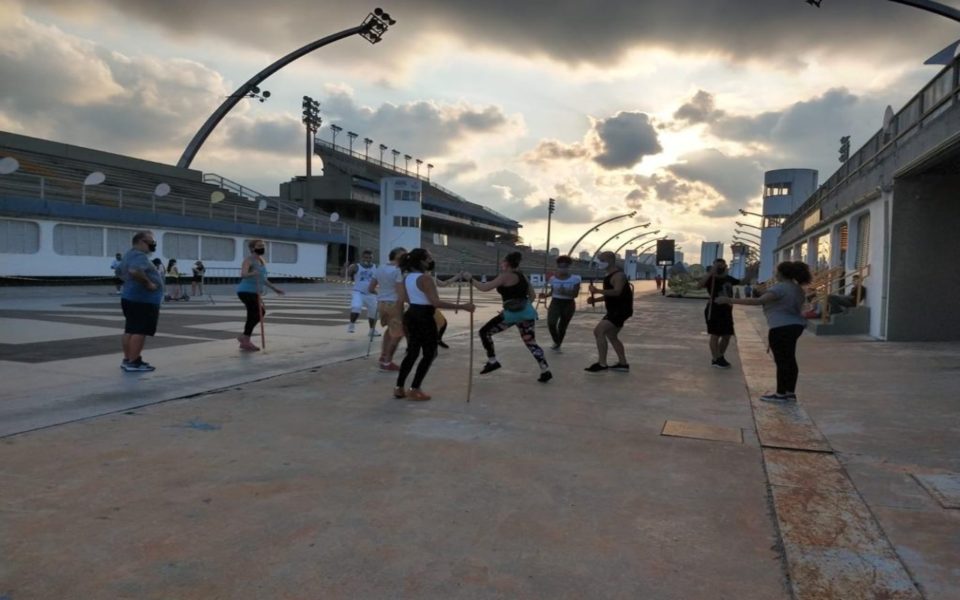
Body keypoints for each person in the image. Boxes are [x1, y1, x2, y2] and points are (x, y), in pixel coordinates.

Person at [716, 261, 812, 402]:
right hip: (795, 326)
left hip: (780, 327)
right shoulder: (797, 288)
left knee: (781, 361)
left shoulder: (780, 288)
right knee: (790, 359)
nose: (775, 273)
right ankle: (790, 392)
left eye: (776, 271)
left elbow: (759, 301)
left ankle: (780, 394)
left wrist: (728, 299)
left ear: (781, 273)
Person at [394, 248, 474, 400]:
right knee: (430, 353)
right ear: (422, 261)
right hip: (424, 317)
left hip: (411, 315)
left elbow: (402, 300)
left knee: (412, 353)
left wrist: (400, 321)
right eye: (429, 258)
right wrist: (463, 306)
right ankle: (414, 388)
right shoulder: (425, 279)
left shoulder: (407, 278)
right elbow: (435, 302)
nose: (431, 261)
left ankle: (399, 387)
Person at [464, 251, 552, 383]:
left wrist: (470, 278)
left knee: (484, 332)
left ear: (507, 263)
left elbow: (484, 287)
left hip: (511, 315)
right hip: (526, 314)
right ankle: (545, 370)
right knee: (531, 343)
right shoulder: (523, 276)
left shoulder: (505, 276)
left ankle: (492, 361)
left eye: (503, 262)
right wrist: (520, 308)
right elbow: (532, 296)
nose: (501, 264)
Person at [119, 231, 163, 372]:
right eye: (150, 242)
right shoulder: (139, 255)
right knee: (140, 330)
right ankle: (134, 362)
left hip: (130, 297)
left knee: (130, 330)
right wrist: (148, 284)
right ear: (141, 241)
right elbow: (134, 271)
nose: (152, 245)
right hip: (143, 300)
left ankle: (127, 359)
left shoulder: (128, 255)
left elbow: (120, 272)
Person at [585, 251, 633, 373]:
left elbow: (617, 292)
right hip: (616, 310)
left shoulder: (618, 276)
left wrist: (597, 291)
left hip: (620, 310)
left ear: (610, 260)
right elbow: (610, 295)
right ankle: (623, 364)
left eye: (602, 260)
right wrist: (595, 299)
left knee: (598, 331)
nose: (600, 263)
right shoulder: (609, 275)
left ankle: (602, 364)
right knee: (612, 336)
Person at [236, 239, 285, 351]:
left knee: (255, 314)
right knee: (259, 312)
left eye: (263, 245)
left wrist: (275, 289)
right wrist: (253, 273)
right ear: (253, 248)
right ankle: (245, 338)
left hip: (255, 291)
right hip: (245, 291)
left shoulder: (261, 260)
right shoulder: (248, 260)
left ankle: (245, 339)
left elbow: (263, 279)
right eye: (259, 245)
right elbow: (243, 274)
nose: (262, 247)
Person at [697, 258, 740, 369]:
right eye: (718, 265)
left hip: (726, 310)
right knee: (715, 334)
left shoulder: (728, 278)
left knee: (727, 335)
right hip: (714, 308)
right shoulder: (711, 278)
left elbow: (742, 281)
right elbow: (699, 285)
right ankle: (716, 359)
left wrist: (752, 271)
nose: (721, 267)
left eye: (722, 265)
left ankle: (719, 357)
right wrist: (711, 272)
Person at [369, 247, 406, 371]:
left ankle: (383, 355)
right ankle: (387, 361)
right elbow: (400, 293)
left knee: (389, 330)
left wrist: (381, 296)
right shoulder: (398, 270)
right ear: (397, 257)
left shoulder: (380, 268)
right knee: (398, 333)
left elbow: (370, 288)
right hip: (394, 304)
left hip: (381, 303)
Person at [539, 255, 581, 352]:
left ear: (569, 267)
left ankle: (558, 344)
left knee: (562, 326)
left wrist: (565, 292)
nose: (563, 269)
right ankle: (556, 341)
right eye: (560, 267)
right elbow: (553, 291)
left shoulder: (575, 279)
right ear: (557, 267)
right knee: (551, 323)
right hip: (556, 302)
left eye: (565, 267)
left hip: (568, 303)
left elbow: (575, 294)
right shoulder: (553, 279)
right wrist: (545, 295)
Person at [346, 250, 379, 336]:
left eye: (370, 257)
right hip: (358, 292)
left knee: (373, 312)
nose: (368, 259)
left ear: (372, 258)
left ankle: (372, 330)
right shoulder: (356, 266)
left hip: (371, 293)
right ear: (362, 257)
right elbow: (344, 275)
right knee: (356, 307)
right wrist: (345, 268)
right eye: (366, 257)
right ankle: (351, 325)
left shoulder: (376, 267)